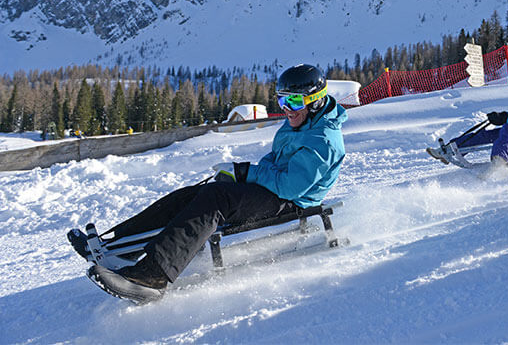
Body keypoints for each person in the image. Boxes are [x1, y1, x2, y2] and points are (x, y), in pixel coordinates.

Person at [68, 63, 347, 302]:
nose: (287, 110)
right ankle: (116, 249)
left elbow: (290, 186)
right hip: (274, 190)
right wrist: (242, 173)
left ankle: (153, 277)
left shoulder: (322, 140)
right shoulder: (303, 121)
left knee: (216, 199)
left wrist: (245, 173)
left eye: (294, 102)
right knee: (192, 195)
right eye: (283, 102)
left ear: (316, 101)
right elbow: (276, 161)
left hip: (291, 202)